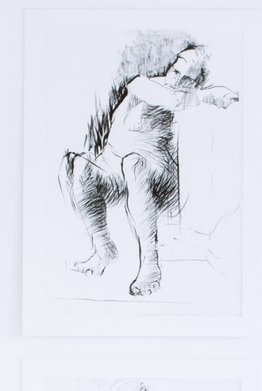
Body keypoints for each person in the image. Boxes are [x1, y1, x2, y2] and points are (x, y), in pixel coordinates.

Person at [61, 42, 240, 298]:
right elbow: (171, 99)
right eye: (176, 71)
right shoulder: (143, 85)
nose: (177, 80)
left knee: (133, 162)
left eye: (187, 79)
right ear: (171, 67)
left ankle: (150, 262)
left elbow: (184, 112)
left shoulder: (186, 100)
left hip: (155, 173)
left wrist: (210, 97)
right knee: (80, 165)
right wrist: (208, 95)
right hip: (113, 169)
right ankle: (103, 248)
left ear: (195, 82)